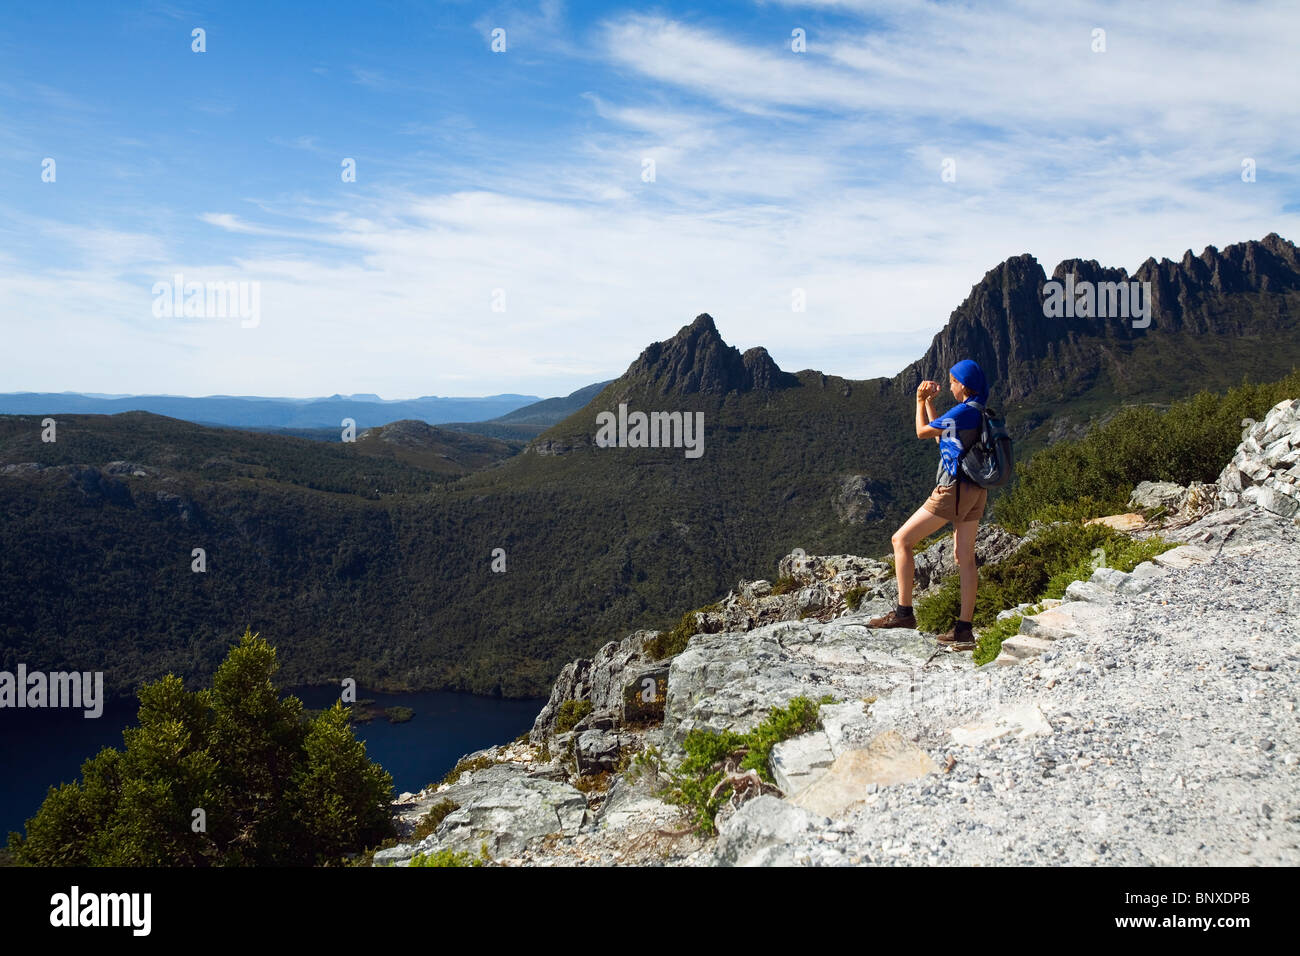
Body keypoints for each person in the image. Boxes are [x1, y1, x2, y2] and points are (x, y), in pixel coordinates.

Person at [867, 359, 990, 648]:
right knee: (965, 558)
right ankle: (964, 630)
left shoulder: (963, 411)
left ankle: (904, 613)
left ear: (963, 385)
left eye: (952, 381)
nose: (950, 385)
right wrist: (930, 405)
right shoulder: (977, 410)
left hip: (953, 490)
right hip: (977, 490)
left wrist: (919, 400)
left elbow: (922, 432)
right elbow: (942, 439)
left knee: (901, 540)